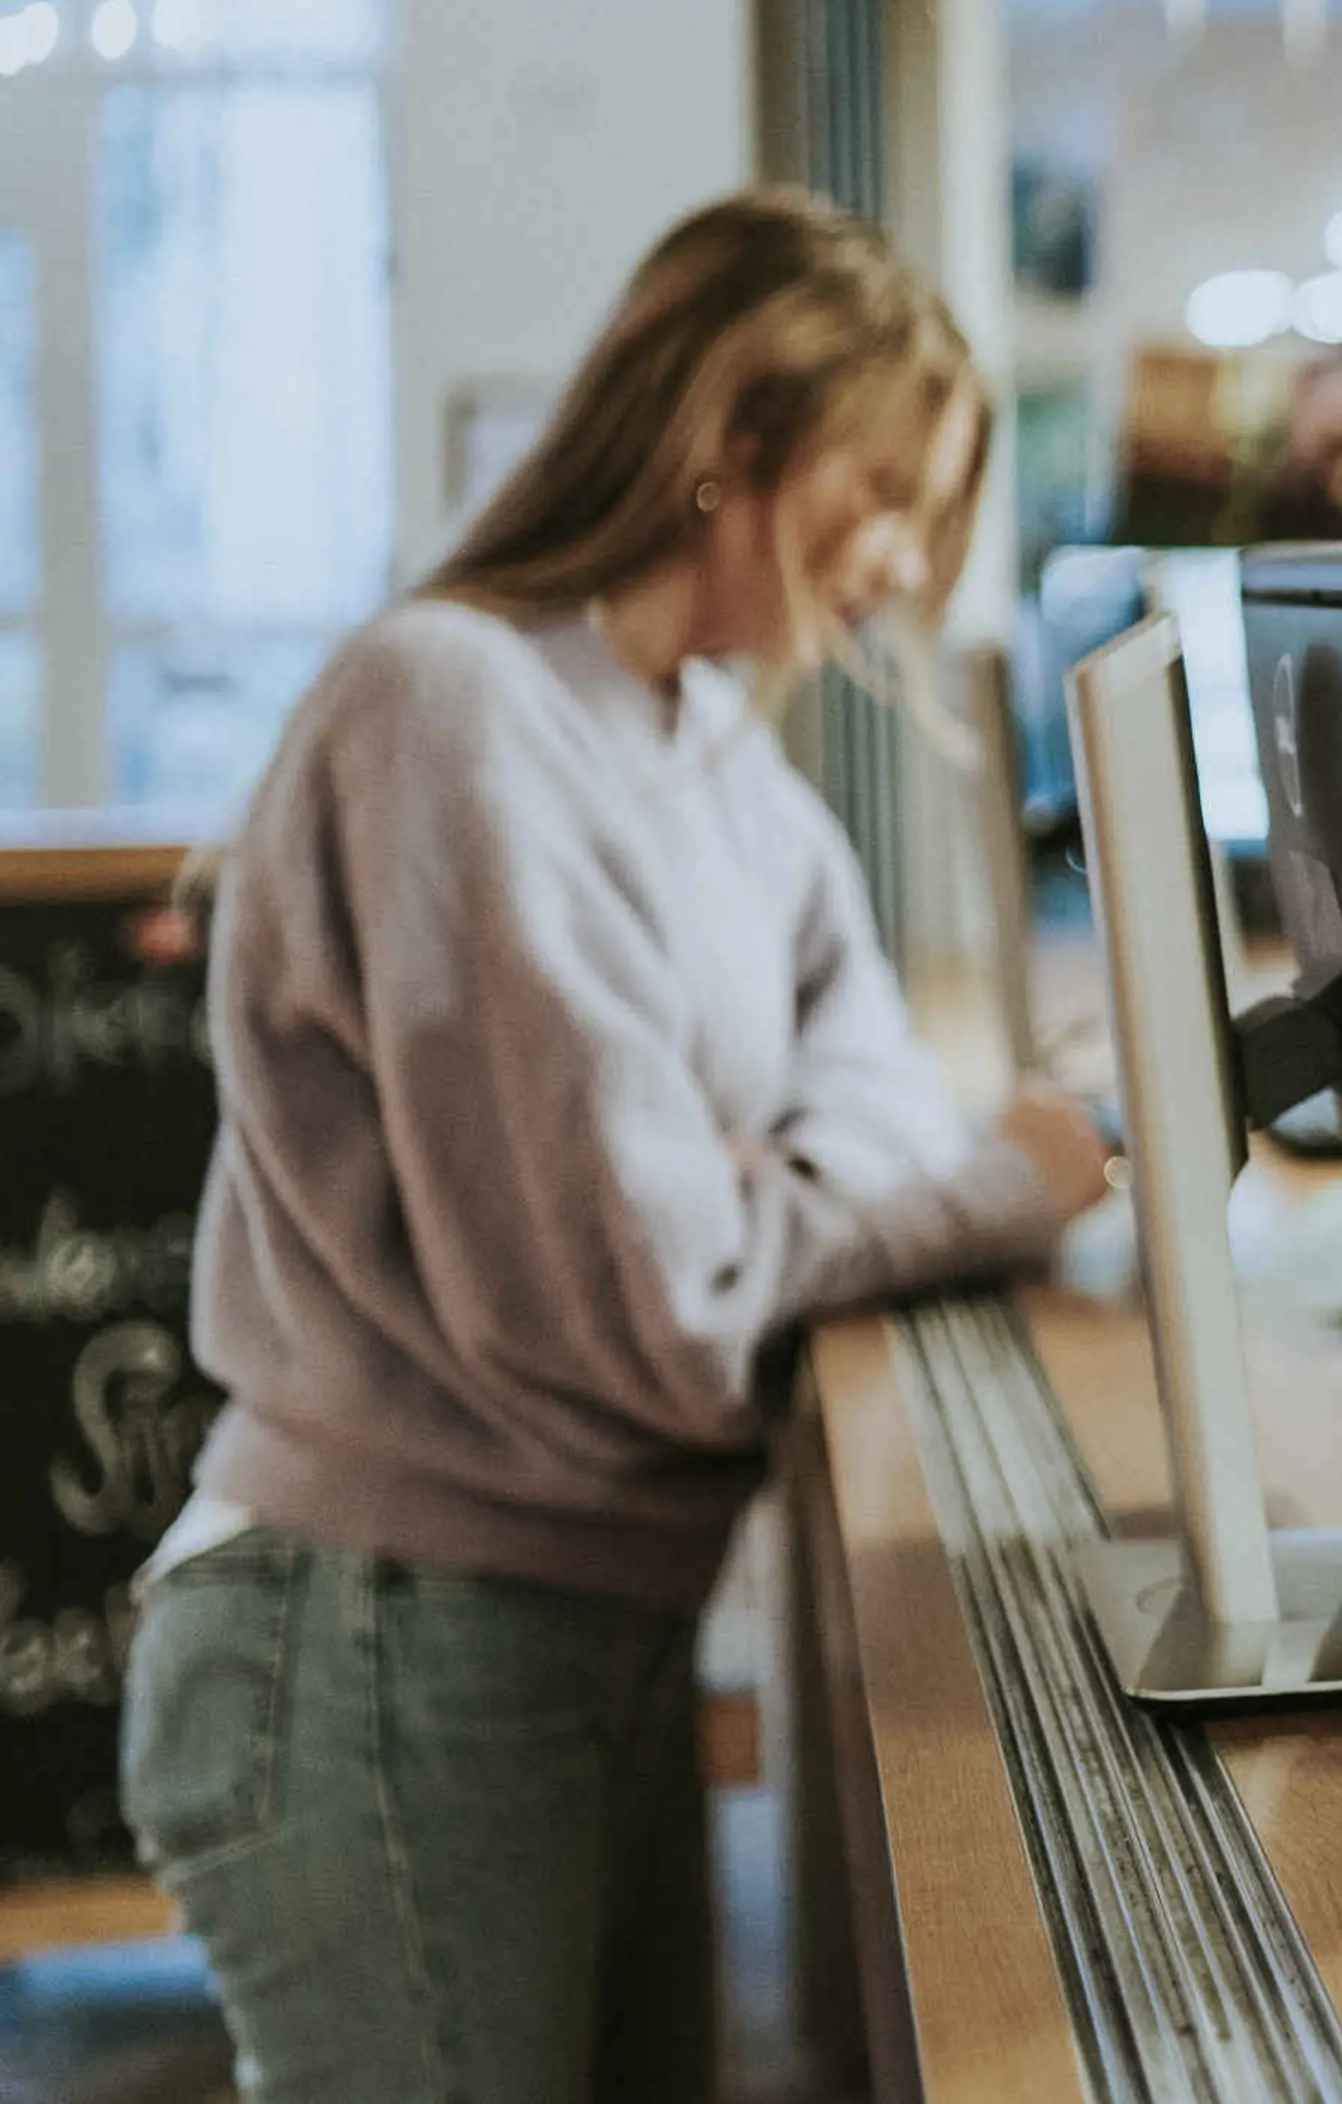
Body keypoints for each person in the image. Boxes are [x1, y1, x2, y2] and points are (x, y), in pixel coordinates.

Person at [121, 193, 1113, 2104]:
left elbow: (874, 1082)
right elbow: (662, 1297)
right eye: (884, 489)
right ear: (727, 445)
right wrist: (990, 1183)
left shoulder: (711, 752)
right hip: (383, 1635)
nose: (905, 562)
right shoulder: (456, 704)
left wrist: (775, 1173)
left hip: (578, 1624)